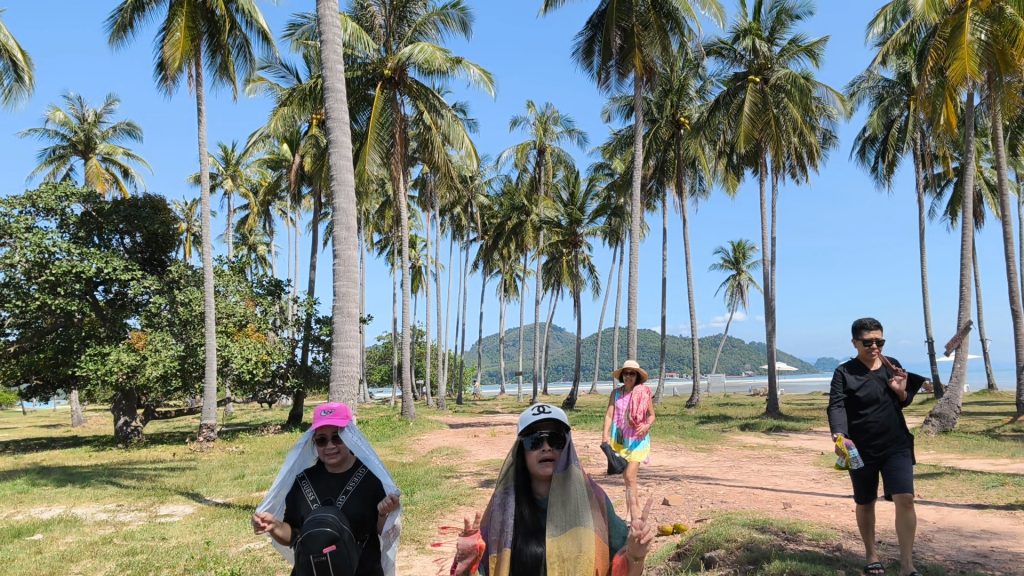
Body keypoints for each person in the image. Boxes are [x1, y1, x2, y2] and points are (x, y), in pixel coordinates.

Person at [451, 403, 656, 576]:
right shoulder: (503, 508)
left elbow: (621, 567)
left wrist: (635, 555)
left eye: (556, 439)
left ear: (567, 447)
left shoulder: (593, 501)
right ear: (521, 451)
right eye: (534, 441)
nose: (546, 447)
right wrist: (467, 563)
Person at [827, 318, 930, 576]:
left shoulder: (891, 365)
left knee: (905, 499)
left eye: (879, 341)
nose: (874, 346)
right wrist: (839, 435)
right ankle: (872, 556)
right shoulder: (844, 373)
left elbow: (903, 400)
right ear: (854, 343)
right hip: (860, 448)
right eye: (868, 342)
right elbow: (836, 405)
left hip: (896, 444)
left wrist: (901, 391)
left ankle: (907, 565)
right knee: (865, 501)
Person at [252, 402, 402, 576]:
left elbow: (382, 531)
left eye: (337, 437)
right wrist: (274, 526)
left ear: (349, 437)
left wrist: (384, 513)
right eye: (322, 440)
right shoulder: (302, 482)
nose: (330, 446)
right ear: (314, 442)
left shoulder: (371, 478)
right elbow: (293, 536)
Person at [602, 360, 655, 516]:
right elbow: (609, 415)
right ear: (622, 375)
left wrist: (647, 425)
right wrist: (605, 434)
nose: (628, 376)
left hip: (637, 440)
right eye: (626, 373)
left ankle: (633, 514)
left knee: (629, 475)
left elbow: (651, 416)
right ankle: (633, 511)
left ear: (637, 376)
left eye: (632, 373)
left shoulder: (642, 394)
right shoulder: (616, 394)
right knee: (628, 480)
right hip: (620, 440)